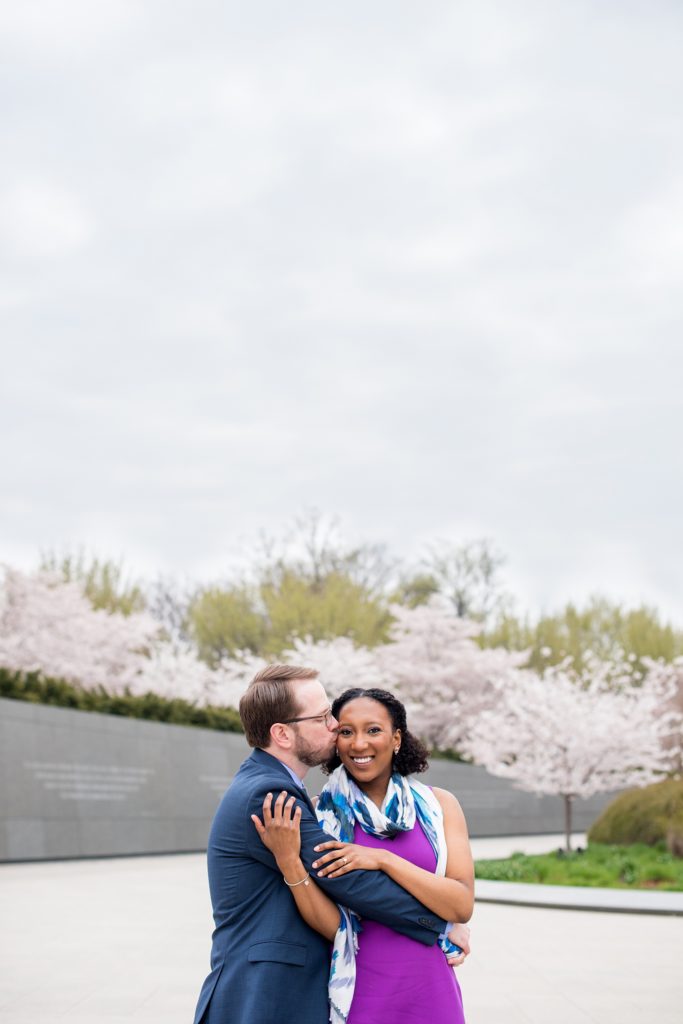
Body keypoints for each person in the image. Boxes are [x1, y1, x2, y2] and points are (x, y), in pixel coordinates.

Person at [192, 665, 470, 1024]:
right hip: (265, 990)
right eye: (323, 717)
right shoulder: (271, 793)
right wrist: (442, 922)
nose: (334, 726)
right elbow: (345, 878)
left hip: (305, 984)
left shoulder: (275, 784)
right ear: (282, 734)